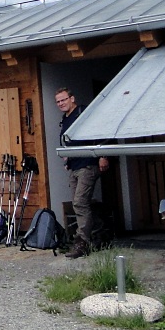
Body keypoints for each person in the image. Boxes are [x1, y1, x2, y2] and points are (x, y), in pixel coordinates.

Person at [55, 87, 109, 258]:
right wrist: (68, 160)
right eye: (58, 102)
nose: (61, 103)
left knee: (79, 202)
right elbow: (68, 142)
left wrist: (102, 155)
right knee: (81, 203)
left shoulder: (83, 112)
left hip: (88, 164)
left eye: (63, 100)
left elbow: (100, 131)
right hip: (74, 166)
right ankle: (102, 234)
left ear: (72, 98)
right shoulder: (65, 119)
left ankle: (82, 243)